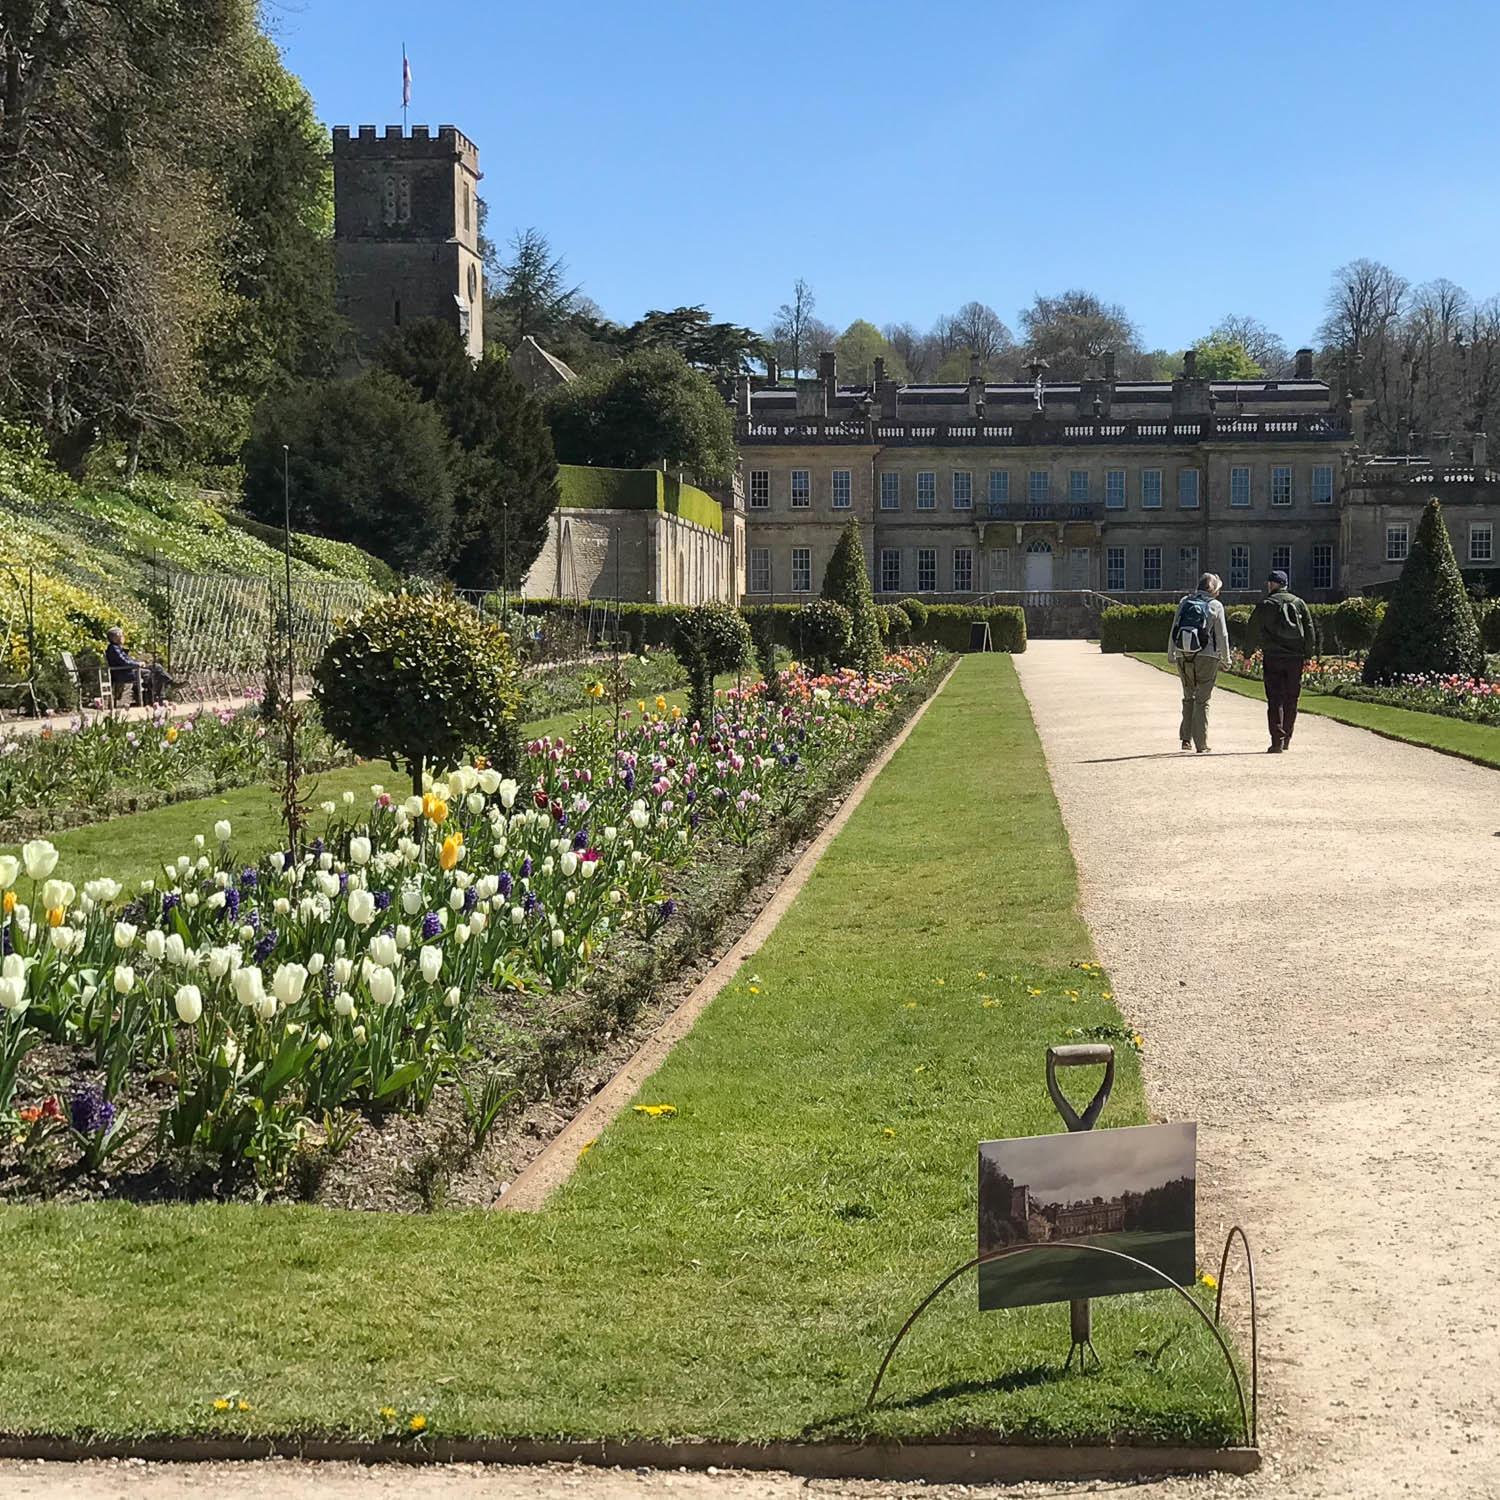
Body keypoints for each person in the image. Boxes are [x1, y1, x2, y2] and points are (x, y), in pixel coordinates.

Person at [1246, 570, 1317, 753]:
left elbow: (1252, 630)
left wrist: (1247, 654)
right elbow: (1309, 630)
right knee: (1291, 698)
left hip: (1273, 656)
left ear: (1271, 584)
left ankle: (1277, 740)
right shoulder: (1299, 603)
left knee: (1275, 699)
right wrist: (1309, 655)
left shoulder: (1265, 604)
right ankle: (1287, 738)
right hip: (1295, 657)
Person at [1167, 572, 1232, 754]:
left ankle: (1185, 740)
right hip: (1207, 656)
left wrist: (1171, 653)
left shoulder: (1185, 602)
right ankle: (1201, 743)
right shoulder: (1215, 605)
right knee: (1202, 700)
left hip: (1183, 654)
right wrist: (1226, 659)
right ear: (1213, 590)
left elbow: (1174, 628)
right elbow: (1222, 635)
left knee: (1188, 697)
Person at [104, 627, 176, 707]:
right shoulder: (113, 649)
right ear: (116, 637)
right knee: (151, 674)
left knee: (156, 667)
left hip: (128, 670)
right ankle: (156, 698)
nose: (123, 637)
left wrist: (138, 663)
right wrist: (137, 664)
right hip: (123, 673)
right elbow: (124, 662)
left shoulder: (117, 648)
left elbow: (126, 661)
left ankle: (169, 684)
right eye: (122, 635)